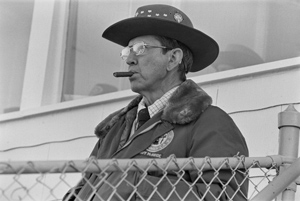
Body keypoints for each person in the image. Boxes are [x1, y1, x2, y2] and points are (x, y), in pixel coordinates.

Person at [63, 4, 249, 201]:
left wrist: (131, 183)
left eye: (140, 49)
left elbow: (224, 196)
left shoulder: (211, 123)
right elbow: (86, 187)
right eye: (128, 51)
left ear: (173, 58)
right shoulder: (114, 127)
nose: (130, 60)